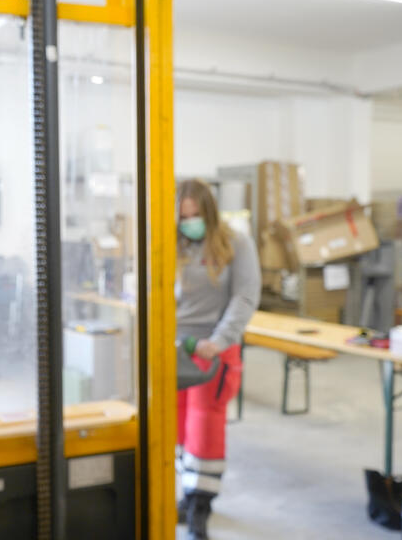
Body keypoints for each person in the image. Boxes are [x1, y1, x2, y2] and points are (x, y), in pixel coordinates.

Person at [175, 179, 261, 540]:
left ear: (209, 212)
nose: (190, 223)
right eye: (183, 217)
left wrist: (219, 340)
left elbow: (245, 296)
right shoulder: (172, 244)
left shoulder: (235, 242)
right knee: (176, 428)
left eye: (195, 215)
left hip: (213, 350)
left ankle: (200, 508)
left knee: (204, 428)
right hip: (177, 347)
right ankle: (185, 492)